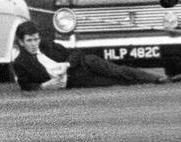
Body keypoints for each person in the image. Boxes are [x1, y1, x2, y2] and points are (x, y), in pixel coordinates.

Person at [12, 21, 168, 90]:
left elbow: (76, 53)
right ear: (21, 42)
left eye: (36, 39)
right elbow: (25, 85)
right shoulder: (20, 63)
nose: (34, 44)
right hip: (76, 80)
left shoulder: (47, 46)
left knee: (118, 71)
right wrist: (43, 87)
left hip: (85, 64)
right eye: (29, 41)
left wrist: (67, 65)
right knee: (114, 82)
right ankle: (151, 81)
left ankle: (157, 78)